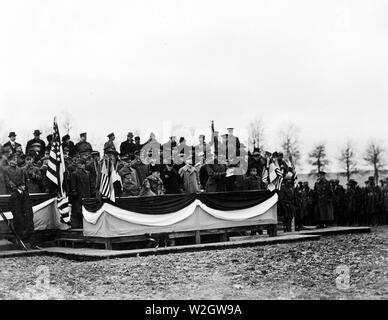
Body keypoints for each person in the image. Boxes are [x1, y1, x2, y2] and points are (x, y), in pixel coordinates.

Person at [4, 154, 36, 247]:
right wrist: (14, 187)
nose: (15, 161)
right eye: (13, 160)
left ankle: (29, 241)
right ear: (10, 161)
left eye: (16, 159)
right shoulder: (6, 170)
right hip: (12, 191)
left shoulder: (20, 169)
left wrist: (22, 186)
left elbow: (23, 179)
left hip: (20, 190)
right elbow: (7, 180)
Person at [69, 159, 95, 228]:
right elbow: (73, 184)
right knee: (78, 210)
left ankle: (85, 224)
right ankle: (78, 225)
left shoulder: (87, 173)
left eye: (82, 164)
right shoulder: (74, 174)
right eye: (80, 164)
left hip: (87, 194)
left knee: (86, 209)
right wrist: (74, 191)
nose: (81, 165)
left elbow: (90, 183)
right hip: (78, 195)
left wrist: (92, 191)